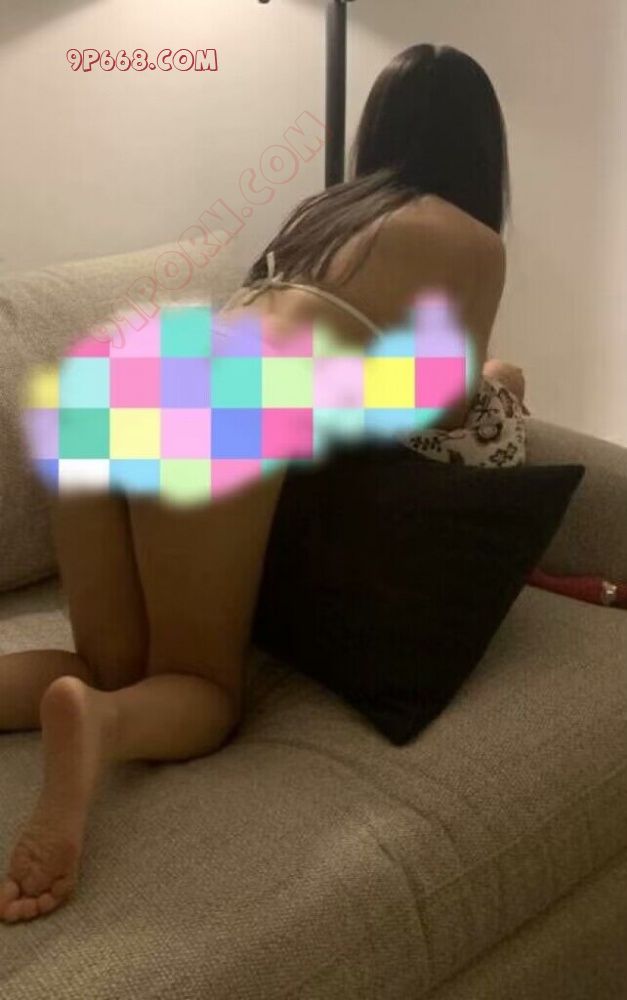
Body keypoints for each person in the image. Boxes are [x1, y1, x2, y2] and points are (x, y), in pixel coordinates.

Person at [0, 43, 526, 923]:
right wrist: (501, 379)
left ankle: (91, 699)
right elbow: (442, 412)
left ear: (378, 130)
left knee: (114, 665)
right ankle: (95, 725)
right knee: (202, 691)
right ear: (481, 145)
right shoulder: (474, 243)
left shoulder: (323, 211)